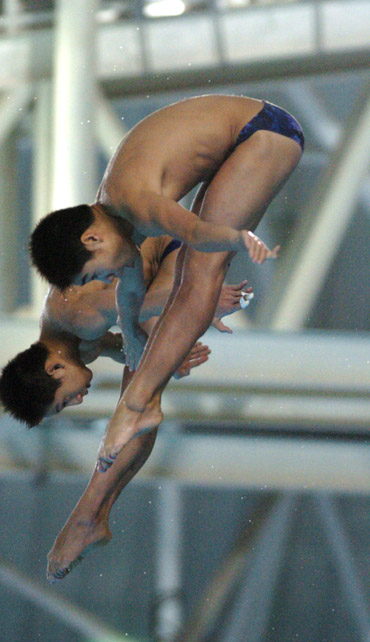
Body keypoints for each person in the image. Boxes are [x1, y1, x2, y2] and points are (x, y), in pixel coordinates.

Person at [29, 94, 304, 471]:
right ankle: (139, 404)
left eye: (94, 275)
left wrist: (238, 240)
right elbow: (129, 300)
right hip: (239, 137)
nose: (102, 281)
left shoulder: (135, 208)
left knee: (198, 277)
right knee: (180, 296)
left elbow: (197, 235)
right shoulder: (119, 241)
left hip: (266, 131)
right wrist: (142, 339)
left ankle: (135, 407)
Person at [0, 234, 252, 426]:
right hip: (163, 259)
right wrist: (169, 360)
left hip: (167, 240)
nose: (78, 401)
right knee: (154, 352)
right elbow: (127, 351)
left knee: (149, 357)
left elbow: (140, 305)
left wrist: (204, 299)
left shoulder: (76, 316)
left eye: (65, 401)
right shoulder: (78, 350)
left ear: (54, 368)